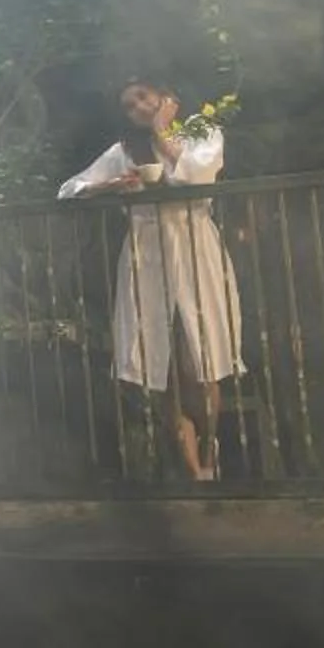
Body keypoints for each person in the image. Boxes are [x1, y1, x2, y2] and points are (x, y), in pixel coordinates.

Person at [57, 80, 245, 480]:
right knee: (161, 364)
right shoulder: (124, 152)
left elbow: (197, 177)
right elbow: (68, 190)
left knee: (201, 358)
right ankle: (194, 473)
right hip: (146, 254)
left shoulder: (200, 132)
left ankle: (210, 450)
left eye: (143, 97)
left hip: (193, 245)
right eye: (129, 106)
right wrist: (108, 186)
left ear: (163, 95)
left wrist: (162, 131)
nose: (139, 107)